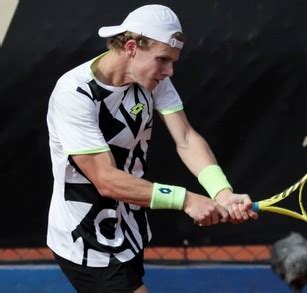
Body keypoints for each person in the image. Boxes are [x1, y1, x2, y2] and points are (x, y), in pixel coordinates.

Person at [46, 4, 258, 292]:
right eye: (163, 60)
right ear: (131, 47)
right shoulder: (75, 93)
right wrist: (186, 200)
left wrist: (221, 191)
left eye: (173, 62)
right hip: (87, 238)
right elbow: (105, 179)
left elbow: (186, 138)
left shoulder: (151, 80)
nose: (169, 71)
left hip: (129, 226)